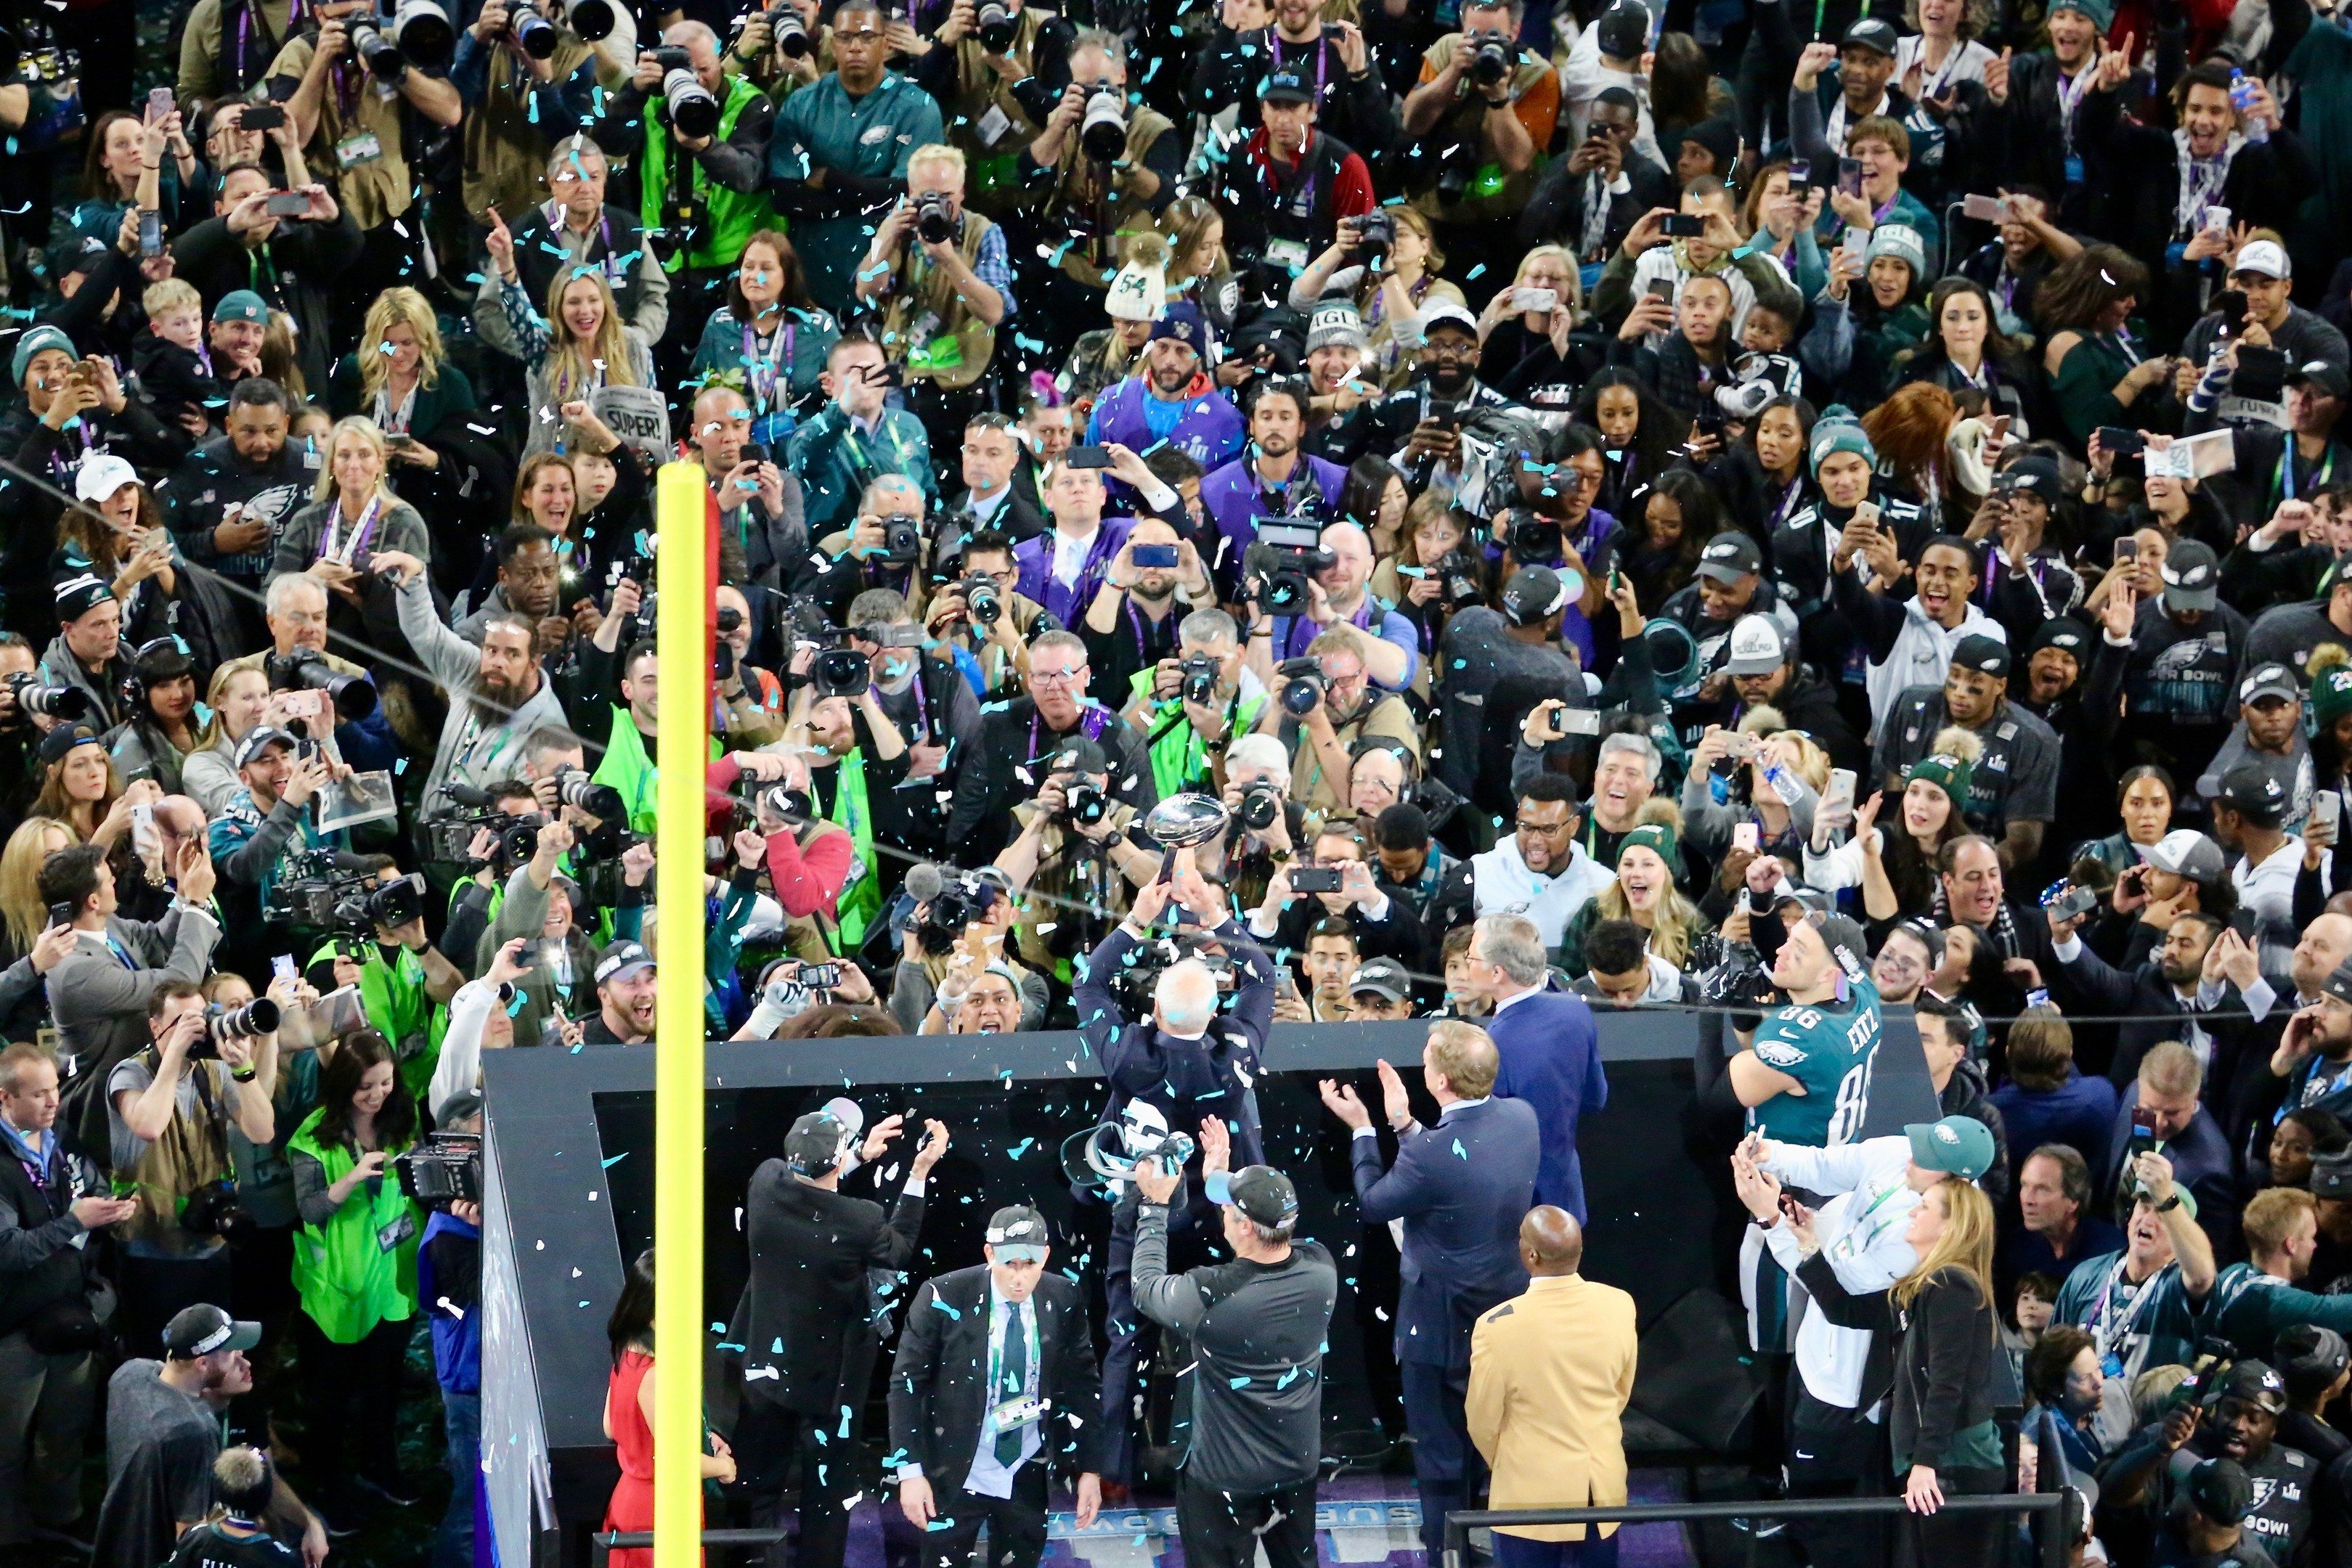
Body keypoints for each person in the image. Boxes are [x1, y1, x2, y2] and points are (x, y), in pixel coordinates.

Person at [1318, 1024, 1539, 1557]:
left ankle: (1446, 1546)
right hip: (1508, 1314)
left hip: (1438, 1328)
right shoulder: (1521, 1118)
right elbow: (1452, 1159)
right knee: (1503, 1437)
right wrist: (1406, 1124)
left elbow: (1374, 1202)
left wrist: (1366, 1129)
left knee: (1441, 1451)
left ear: (1438, 1080)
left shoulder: (1428, 1154)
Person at [736, 1106, 947, 1568]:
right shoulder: (861, 1219)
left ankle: (751, 1560)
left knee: (758, 1485)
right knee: (827, 1495)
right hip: (831, 1383)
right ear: (835, 1162)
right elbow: (900, 1248)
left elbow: (805, 1183)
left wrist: (856, 1157)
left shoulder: (765, 1183)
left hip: (765, 1369)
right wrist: (918, 1173)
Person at [1130, 1141, 1337, 1568]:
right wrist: (1218, 1178)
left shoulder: (1208, 1296)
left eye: (1228, 1209)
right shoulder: (1322, 1269)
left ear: (1244, 1227)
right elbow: (1255, 1266)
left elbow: (1145, 1286)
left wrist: (1153, 1205)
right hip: (1296, 1468)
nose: (1221, 1211)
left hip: (1221, 1479)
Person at [888, 1205, 1104, 1568]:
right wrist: (909, 1472)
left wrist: (1091, 1469)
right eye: (1009, 1265)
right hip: (953, 1469)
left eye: (1030, 1265)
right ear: (989, 1254)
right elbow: (906, 1385)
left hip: (1026, 1467)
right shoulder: (943, 1296)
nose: (1019, 1279)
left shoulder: (1064, 1297)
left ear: (1046, 1257)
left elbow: (1084, 1384)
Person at [0, 1040, 135, 1561]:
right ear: (5, 1100)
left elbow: (92, 1186)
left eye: (55, 1089)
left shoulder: (61, 1140)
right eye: (39, 1095)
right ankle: (11, 1536)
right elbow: (8, 1251)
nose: (53, 1102)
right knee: (7, 1442)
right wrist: (73, 1223)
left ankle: (60, 1516)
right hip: (14, 1327)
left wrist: (110, 1208)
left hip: (73, 1313)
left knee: (65, 1428)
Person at [1463, 1206, 1636, 1568]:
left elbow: (1482, 1418)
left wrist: (1510, 1464)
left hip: (1527, 1501)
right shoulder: (1619, 1304)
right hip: (1601, 1492)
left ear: (1530, 1255)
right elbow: (1621, 1391)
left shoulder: (1496, 1327)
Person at [1451, 913, 1606, 1220]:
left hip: (1515, 1209)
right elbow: (1596, 1098)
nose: (1466, 963)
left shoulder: (1493, 1044)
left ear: (1497, 973)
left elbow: (1486, 1140)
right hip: (1565, 1196)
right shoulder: (1576, 1009)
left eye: (1471, 957)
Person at [602, 1247, 734, 1568]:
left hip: (629, 1503)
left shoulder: (628, 1352)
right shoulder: (657, 1372)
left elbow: (611, 1426)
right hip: (661, 1513)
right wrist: (722, 1467)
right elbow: (676, 1464)